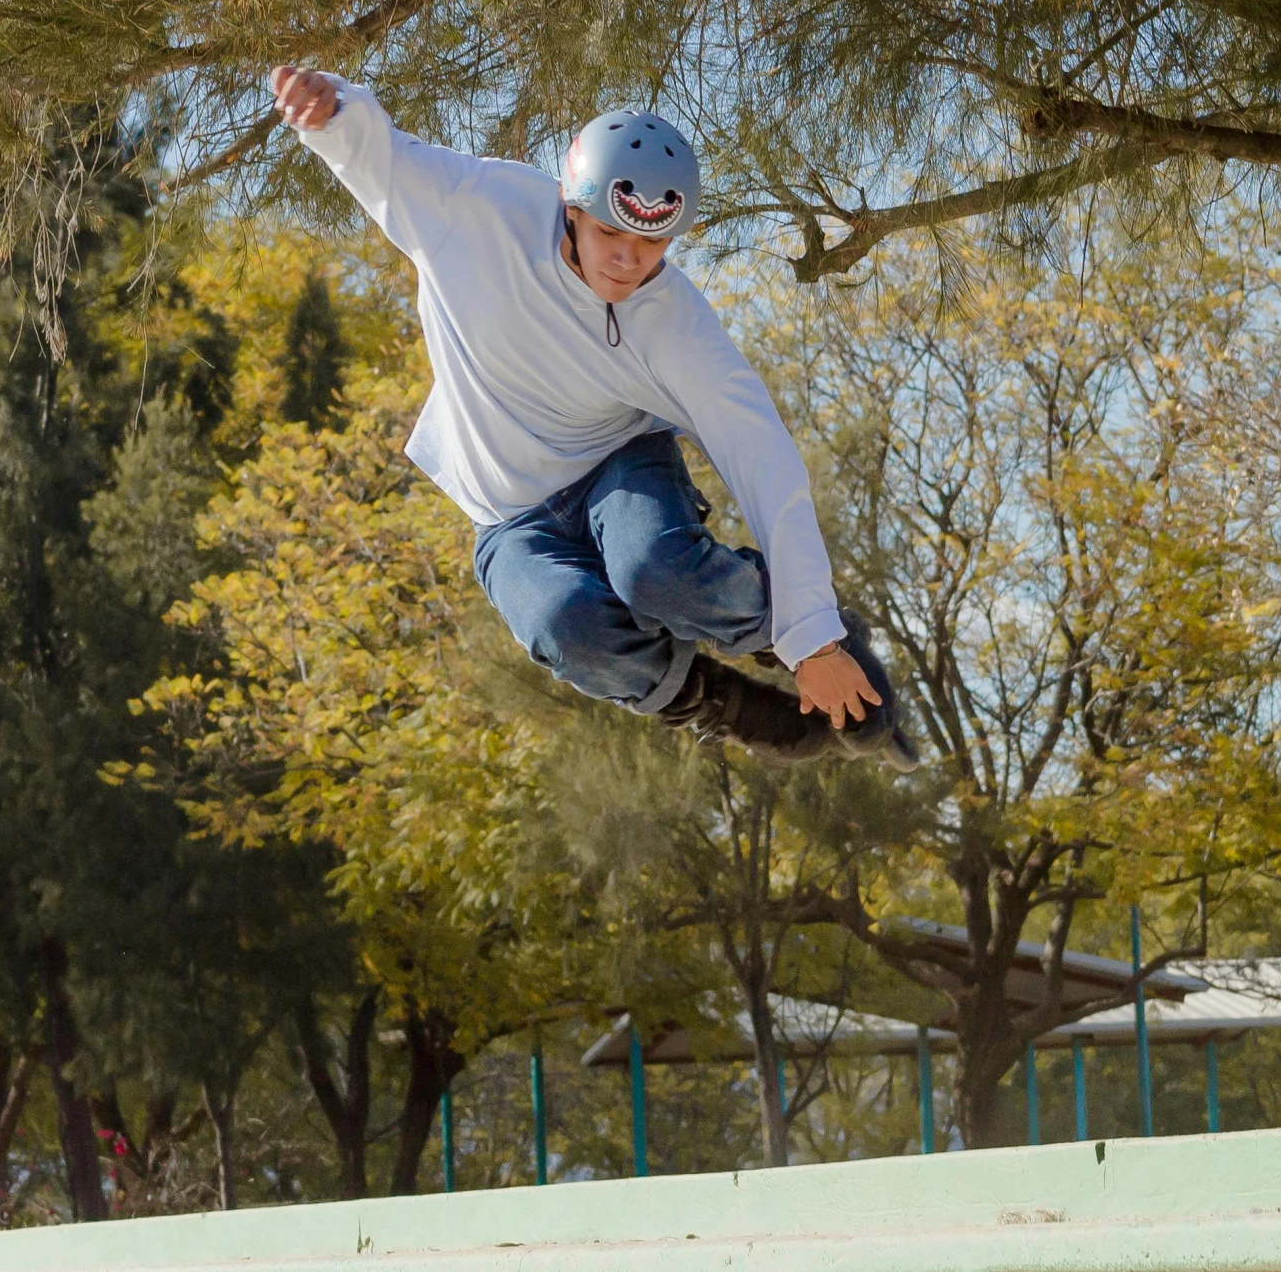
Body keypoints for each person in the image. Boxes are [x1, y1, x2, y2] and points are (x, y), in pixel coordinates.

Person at [268, 65, 917, 770]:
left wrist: (815, 637)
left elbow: (765, 462)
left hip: (620, 462)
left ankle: (792, 630)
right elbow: (384, 161)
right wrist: (334, 113)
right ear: (572, 207)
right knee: (562, 623)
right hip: (508, 512)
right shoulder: (480, 210)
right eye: (610, 233)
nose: (626, 261)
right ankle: (716, 702)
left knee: (655, 569)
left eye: (650, 249)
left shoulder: (674, 324)